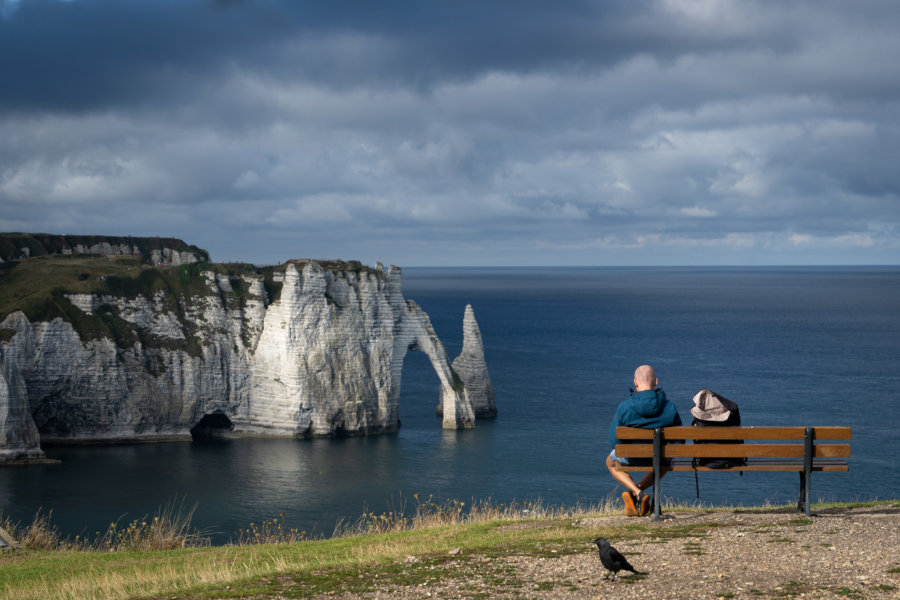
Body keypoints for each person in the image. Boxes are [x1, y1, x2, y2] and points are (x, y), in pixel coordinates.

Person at [605, 365, 682, 516]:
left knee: (610, 461)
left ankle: (636, 492)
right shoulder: (669, 407)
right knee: (666, 461)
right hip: (659, 458)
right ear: (656, 382)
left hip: (632, 458)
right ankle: (639, 491)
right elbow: (678, 442)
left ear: (635, 382)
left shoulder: (624, 407)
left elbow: (613, 441)